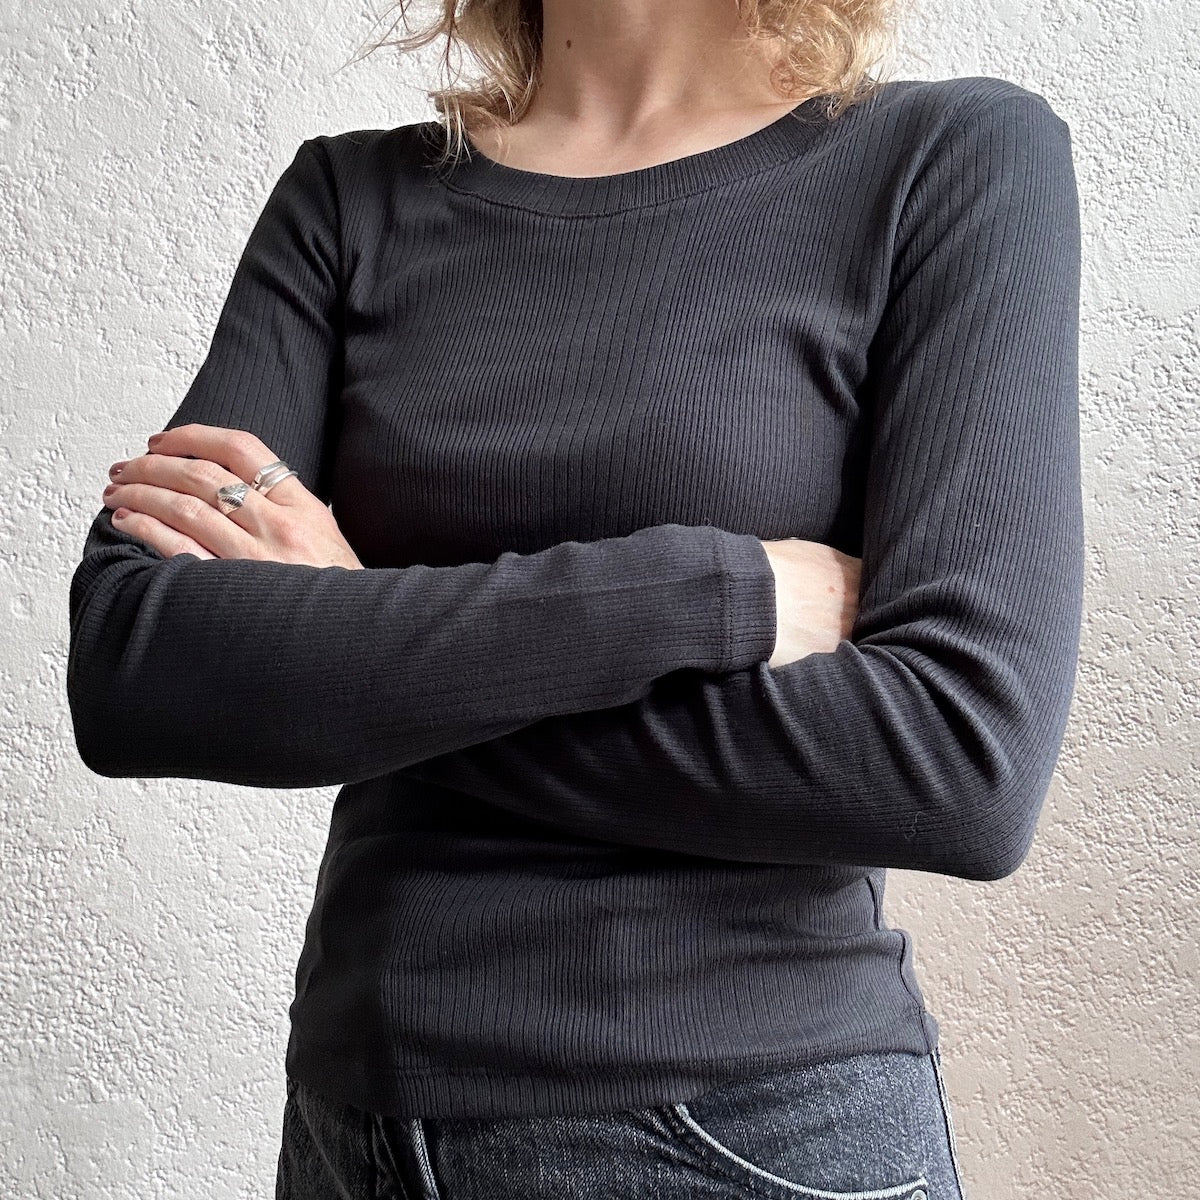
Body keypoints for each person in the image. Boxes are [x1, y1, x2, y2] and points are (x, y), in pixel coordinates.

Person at [66, 0, 1083, 1195]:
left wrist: (360, 626)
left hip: (745, 1136)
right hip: (361, 1128)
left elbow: (959, 765)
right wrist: (711, 593)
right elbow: (139, 668)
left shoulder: (947, 159)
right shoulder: (347, 202)